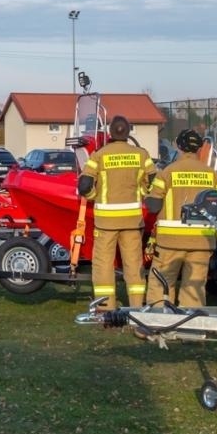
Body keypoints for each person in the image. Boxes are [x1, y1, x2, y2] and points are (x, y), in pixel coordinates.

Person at [76, 115, 156, 310]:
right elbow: (153, 183)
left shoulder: (99, 155)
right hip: (132, 222)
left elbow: (84, 185)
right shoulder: (141, 155)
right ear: (128, 132)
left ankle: (106, 308)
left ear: (110, 132)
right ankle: (137, 307)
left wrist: (95, 196)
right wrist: (142, 192)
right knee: (134, 266)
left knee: (103, 266)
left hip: (106, 223)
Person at [145, 130, 217, 308]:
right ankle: (192, 320)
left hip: (170, 240)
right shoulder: (213, 174)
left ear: (178, 146)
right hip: (202, 240)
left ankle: (158, 320)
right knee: (194, 288)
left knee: (161, 283)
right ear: (199, 148)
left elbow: (153, 205)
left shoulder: (167, 172)